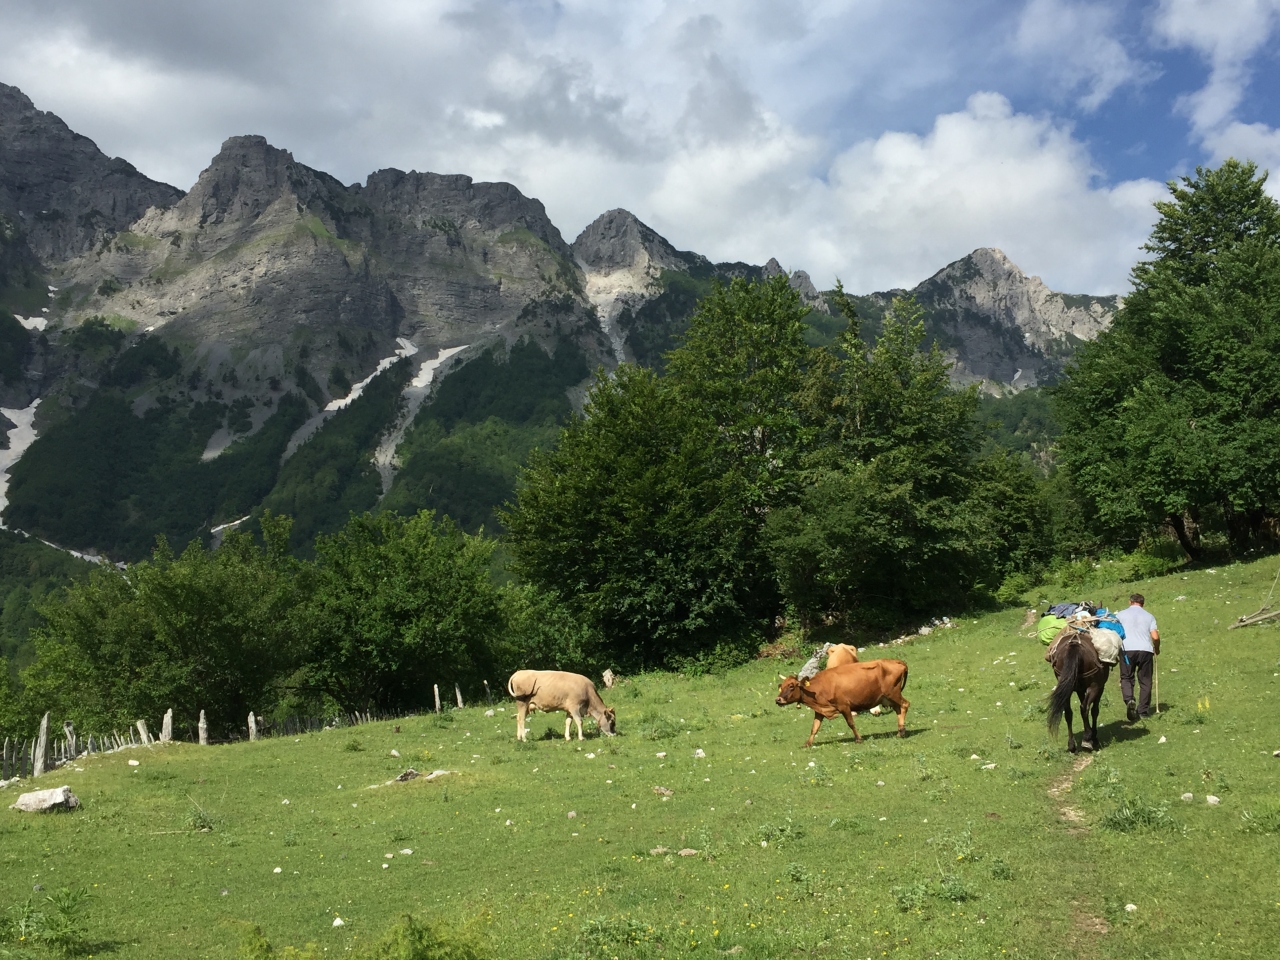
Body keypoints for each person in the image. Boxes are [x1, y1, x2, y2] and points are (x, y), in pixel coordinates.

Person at [1115, 592, 1160, 721]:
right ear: (1143, 604)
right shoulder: (1149, 616)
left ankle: (1129, 700)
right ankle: (1143, 711)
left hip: (1126, 649)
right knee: (1145, 680)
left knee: (1127, 677)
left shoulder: (1120, 615)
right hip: (1145, 650)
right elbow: (1155, 637)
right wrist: (1156, 648)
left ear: (1130, 602)